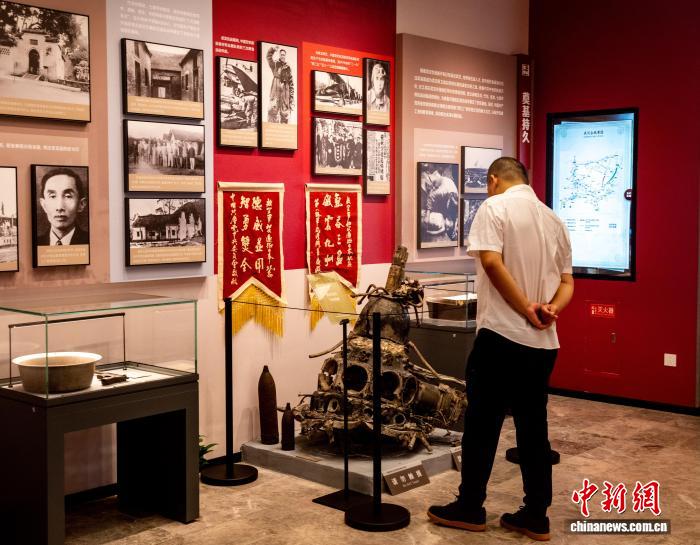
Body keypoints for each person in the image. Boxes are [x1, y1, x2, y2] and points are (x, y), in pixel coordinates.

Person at [427, 157, 574, 542]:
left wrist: (525, 308)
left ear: (493, 180)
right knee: (534, 429)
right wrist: (550, 309)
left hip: (501, 336)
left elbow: (491, 262)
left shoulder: (494, 207)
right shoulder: (553, 219)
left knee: (482, 426)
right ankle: (536, 515)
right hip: (543, 343)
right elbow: (568, 282)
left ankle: (470, 506)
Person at [36, 167, 88, 246]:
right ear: (43, 204)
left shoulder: (91, 241)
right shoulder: (37, 243)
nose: (59, 207)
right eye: (52, 196)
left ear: (81, 204)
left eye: (68, 196)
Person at [266, 45, 294, 124]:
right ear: (279, 55)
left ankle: (283, 129)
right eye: (281, 54)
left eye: (283, 55)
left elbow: (291, 84)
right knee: (272, 110)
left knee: (285, 113)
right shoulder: (275, 64)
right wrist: (272, 50)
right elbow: (268, 57)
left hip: (285, 91)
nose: (282, 56)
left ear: (285, 56)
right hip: (275, 89)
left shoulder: (288, 67)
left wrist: (291, 99)